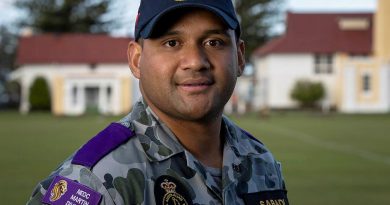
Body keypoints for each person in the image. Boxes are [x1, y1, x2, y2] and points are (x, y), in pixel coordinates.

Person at [27, 0, 289, 204]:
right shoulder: (95, 181)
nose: (196, 61)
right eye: (172, 42)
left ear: (240, 57)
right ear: (136, 60)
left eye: (214, 42)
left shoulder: (259, 160)